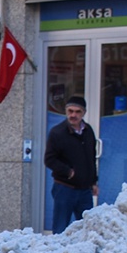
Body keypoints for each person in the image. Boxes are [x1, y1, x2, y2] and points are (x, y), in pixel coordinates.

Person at [46, 95, 99, 232]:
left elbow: (91, 158)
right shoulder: (57, 133)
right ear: (66, 111)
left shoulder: (88, 131)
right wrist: (68, 172)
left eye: (77, 112)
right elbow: (49, 159)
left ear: (84, 113)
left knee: (88, 228)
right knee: (60, 228)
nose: (73, 115)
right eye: (70, 111)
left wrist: (93, 182)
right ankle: (56, 252)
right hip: (64, 188)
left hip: (84, 190)